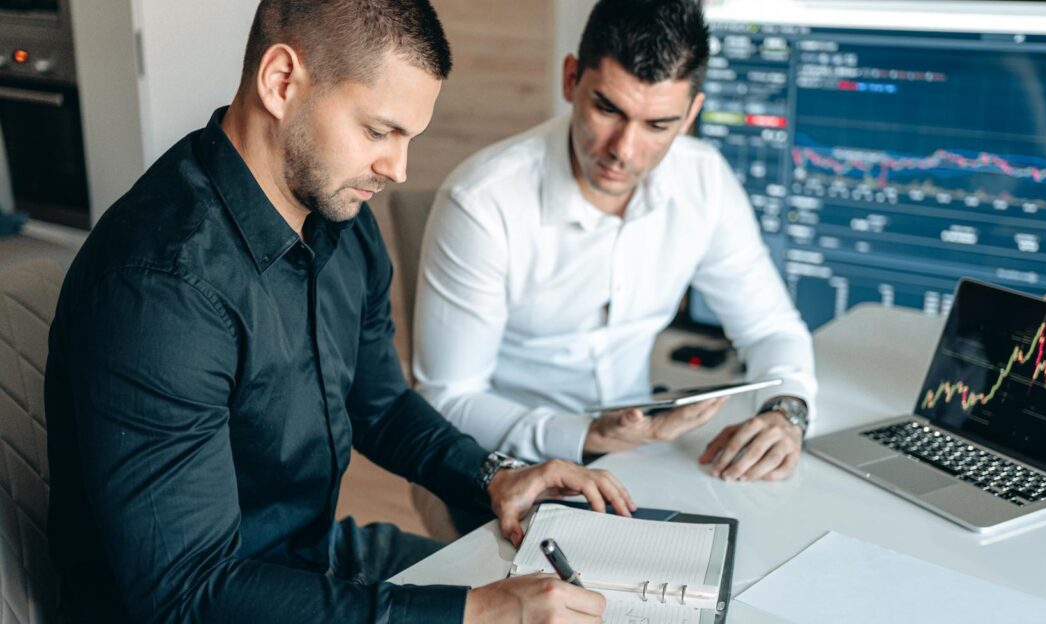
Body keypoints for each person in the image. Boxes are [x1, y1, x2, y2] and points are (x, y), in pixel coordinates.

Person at [44, 1, 632, 622]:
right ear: (280, 82)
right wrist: (475, 614)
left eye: (409, 137)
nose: (398, 170)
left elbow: (379, 404)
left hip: (315, 557)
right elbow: (186, 596)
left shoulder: (341, 219)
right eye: (379, 132)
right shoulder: (161, 289)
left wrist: (491, 475)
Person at [413, 0, 817, 488]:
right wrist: (584, 436)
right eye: (608, 109)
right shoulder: (482, 203)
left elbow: (770, 326)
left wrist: (786, 412)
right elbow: (449, 398)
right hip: (502, 467)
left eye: (658, 125)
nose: (623, 150)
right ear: (570, 80)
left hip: (637, 457)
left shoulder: (704, 180)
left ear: (691, 114)